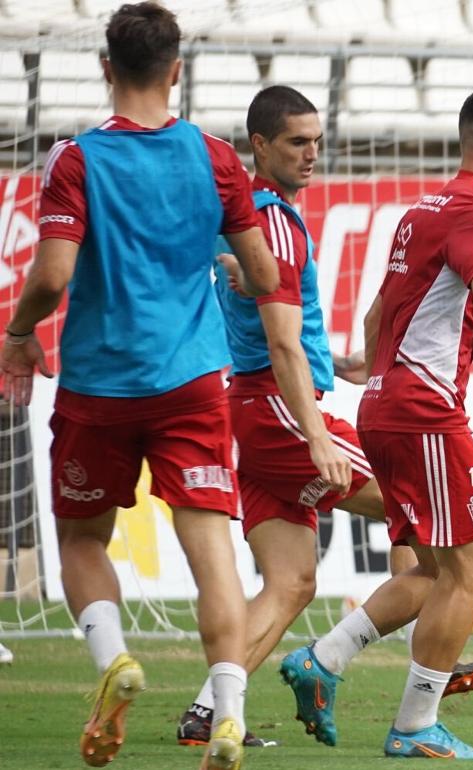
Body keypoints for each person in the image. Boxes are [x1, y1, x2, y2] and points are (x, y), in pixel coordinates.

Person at [175, 85, 473, 751]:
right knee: (444, 546)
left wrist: (349, 361)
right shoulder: (274, 227)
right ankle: (391, 650)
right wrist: (317, 432)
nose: (312, 153)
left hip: (252, 411)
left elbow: (248, 286)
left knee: (292, 581)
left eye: (317, 140)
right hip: (283, 411)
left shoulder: (251, 224)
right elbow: (285, 343)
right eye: (297, 141)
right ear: (259, 146)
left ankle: (209, 710)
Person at [0, 4, 280, 769]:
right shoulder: (217, 158)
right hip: (191, 381)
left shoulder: (75, 160)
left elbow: (52, 276)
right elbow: (264, 275)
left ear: (105, 68)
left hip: (99, 384)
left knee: (83, 540)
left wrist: (19, 335)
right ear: (176, 70)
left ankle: (115, 662)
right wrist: (212, 271)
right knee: (212, 554)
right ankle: (226, 713)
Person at [278, 87, 473, 759]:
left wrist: (368, 365)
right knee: (472, 572)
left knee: (436, 572)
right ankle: (415, 724)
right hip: (425, 414)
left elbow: (380, 310)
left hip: (386, 407)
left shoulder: (424, 209)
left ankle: (322, 660)